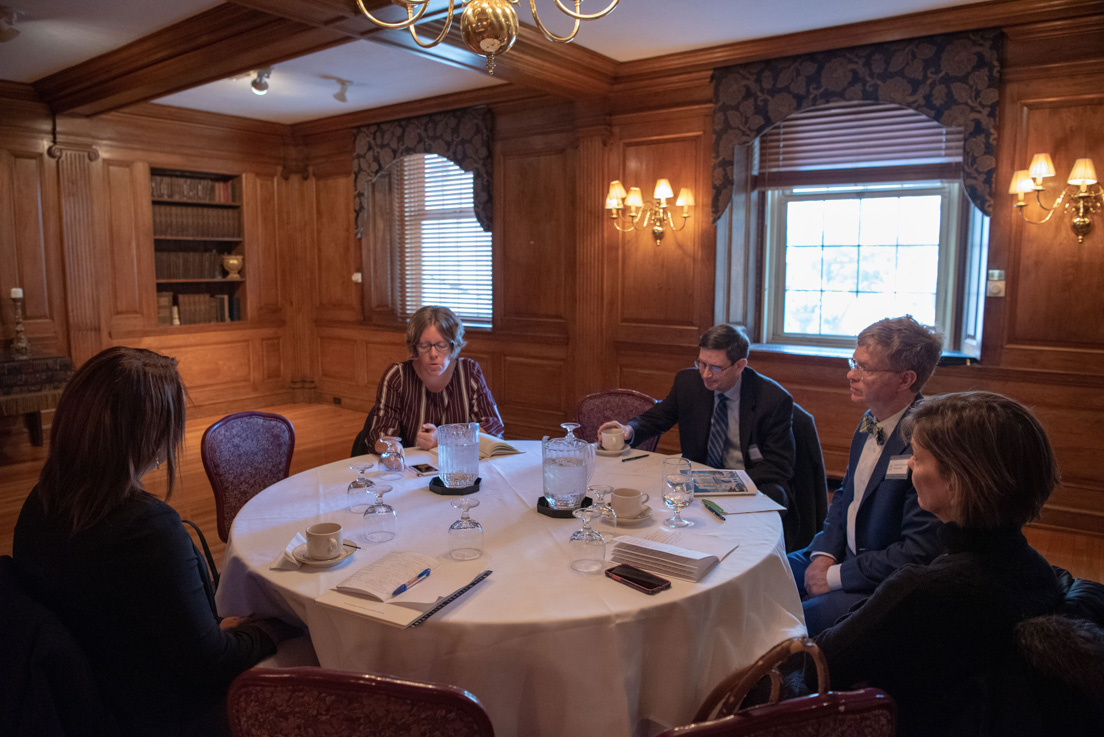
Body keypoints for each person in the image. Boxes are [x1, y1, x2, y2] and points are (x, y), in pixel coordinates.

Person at [13, 347, 296, 737]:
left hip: (84, 699)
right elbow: (209, 663)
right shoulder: (147, 530)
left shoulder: (40, 503)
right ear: (152, 435)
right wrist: (274, 627)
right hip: (157, 713)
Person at [815, 391, 1080, 736]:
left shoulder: (923, 590)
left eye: (919, 458)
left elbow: (818, 666)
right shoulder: (1041, 571)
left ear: (957, 483)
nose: (909, 464)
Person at [787, 315, 943, 636]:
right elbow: (846, 494)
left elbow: (918, 552)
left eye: (865, 368)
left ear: (905, 379)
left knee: (789, 622)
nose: (851, 374)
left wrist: (835, 576)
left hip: (881, 583)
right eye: (853, 362)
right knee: (758, 578)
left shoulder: (928, 443)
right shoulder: (870, 420)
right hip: (842, 554)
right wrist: (824, 555)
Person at [598, 324, 796, 541]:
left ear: (740, 365)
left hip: (749, 482)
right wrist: (628, 429)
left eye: (716, 368)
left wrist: (723, 482)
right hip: (697, 485)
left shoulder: (773, 400)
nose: (706, 374)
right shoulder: (688, 383)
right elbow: (658, 417)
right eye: (702, 363)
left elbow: (779, 467)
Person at [352, 305, 504, 456]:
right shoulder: (397, 376)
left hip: (459, 463)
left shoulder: (469, 371)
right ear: (415, 346)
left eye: (441, 345)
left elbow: (493, 427)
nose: (433, 354)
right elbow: (378, 435)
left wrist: (443, 438)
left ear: (453, 346)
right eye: (424, 345)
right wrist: (390, 446)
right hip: (412, 466)